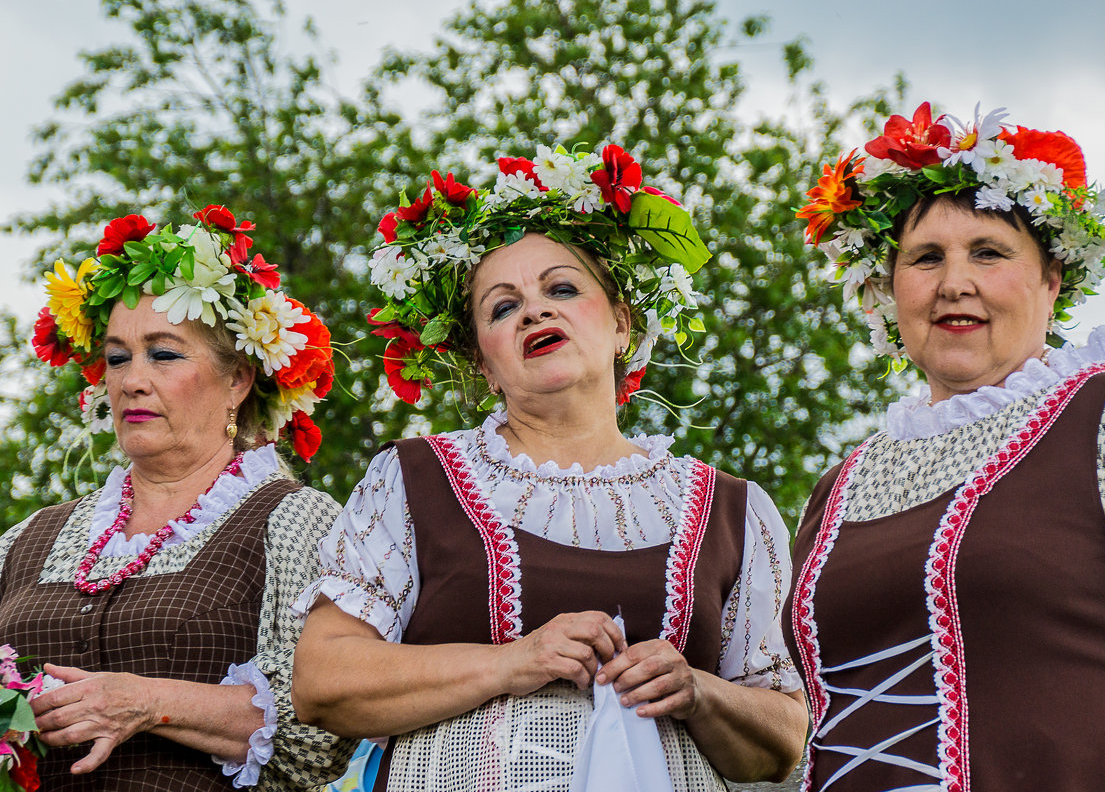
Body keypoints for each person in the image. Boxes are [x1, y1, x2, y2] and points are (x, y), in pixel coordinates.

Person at [292, 144, 808, 791]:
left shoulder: (732, 510)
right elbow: (321, 681)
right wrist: (517, 661)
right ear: (483, 362)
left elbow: (785, 739)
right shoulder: (413, 479)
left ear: (623, 323)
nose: (534, 310)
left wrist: (698, 691)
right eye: (502, 307)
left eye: (562, 288)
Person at [786, 102, 1105, 791]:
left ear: (1052, 281)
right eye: (925, 258)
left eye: (989, 251)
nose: (955, 282)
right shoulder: (840, 488)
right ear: (889, 291)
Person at [11, 206, 355, 790]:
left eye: (164, 354)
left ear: (237, 380)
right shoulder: (31, 535)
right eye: (117, 358)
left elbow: (326, 731)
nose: (130, 380)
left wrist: (144, 701)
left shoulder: (295, 520)